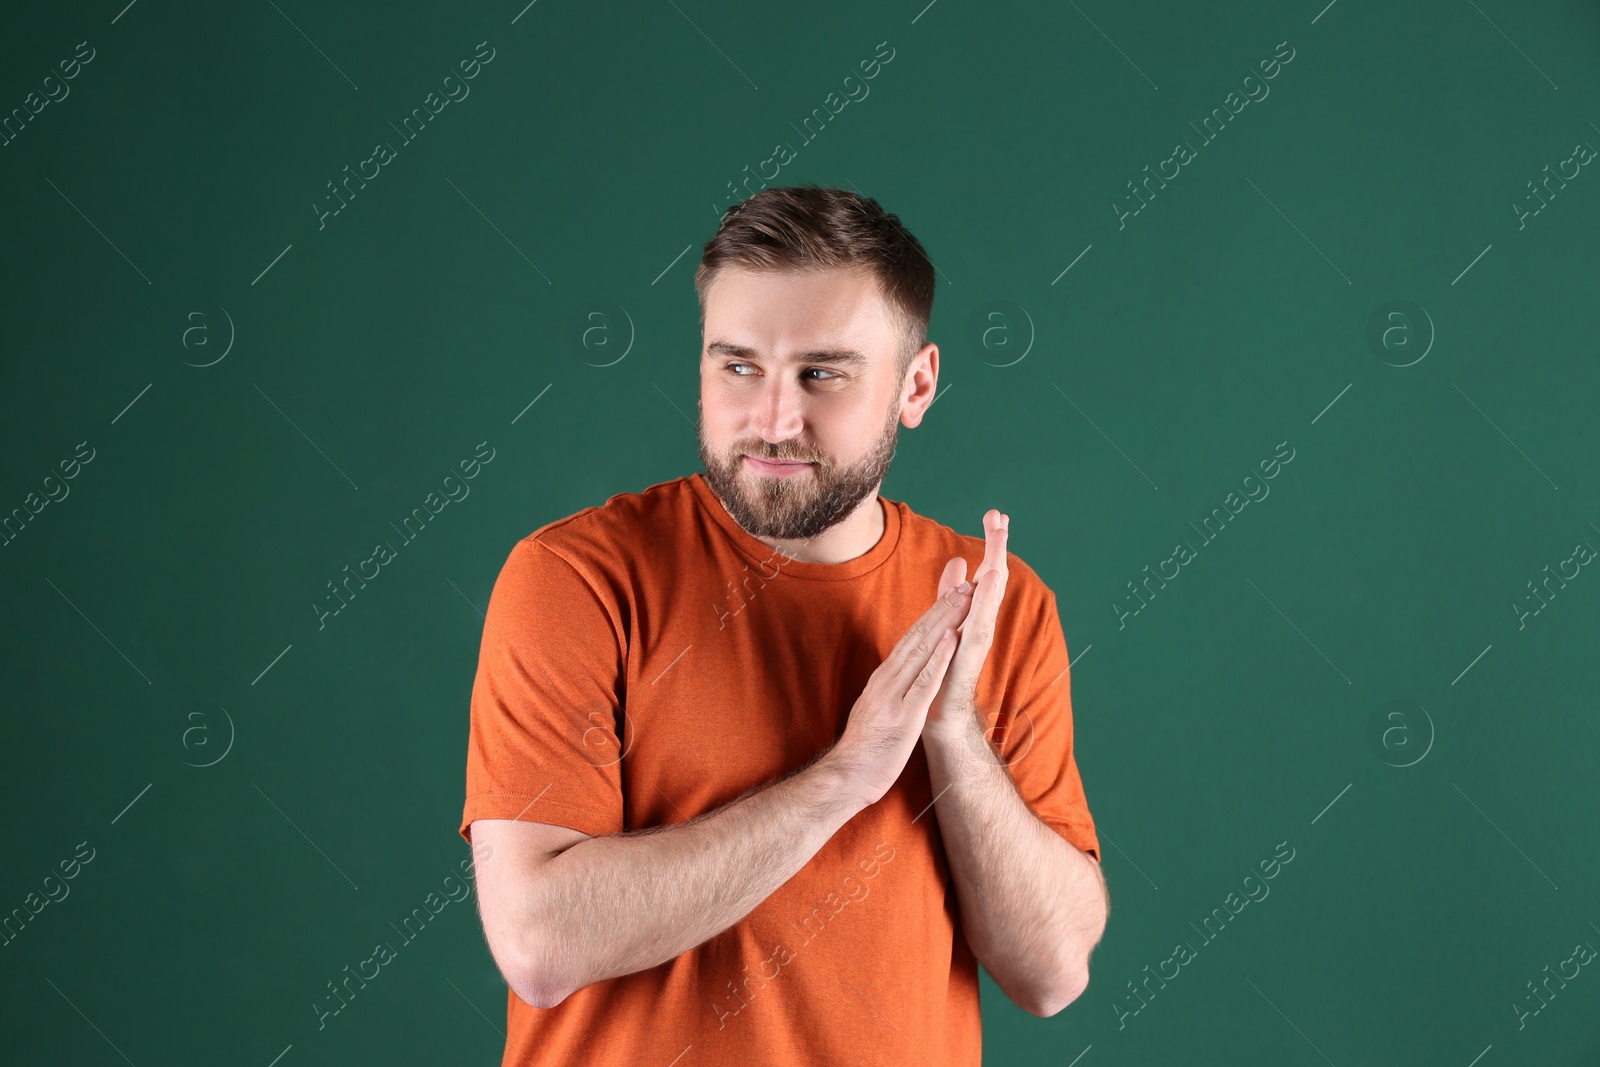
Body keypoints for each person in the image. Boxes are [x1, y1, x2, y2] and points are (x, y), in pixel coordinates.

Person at [459, 185, 1108, 1066]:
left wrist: (953, 735)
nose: (771, 418)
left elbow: (1053, 970)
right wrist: (845, 777)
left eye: (821, 373)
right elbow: (539, 944)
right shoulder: (577, 579)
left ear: (916, 385)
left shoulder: (998, 603)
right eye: (737, 366)